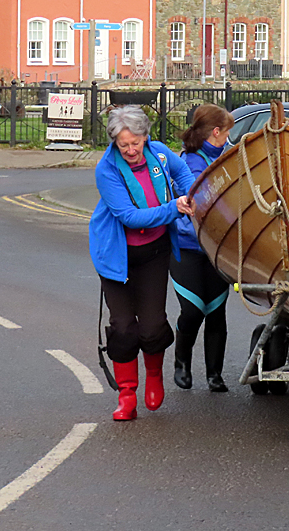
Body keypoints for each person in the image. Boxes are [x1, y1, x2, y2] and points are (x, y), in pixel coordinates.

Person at [89, 106, 196, 421]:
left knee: (151, 327)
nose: (131, 150)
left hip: (154, 253)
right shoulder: (106, 169)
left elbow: (184, 173)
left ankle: (154, 377)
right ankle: (126, 395)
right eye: (124, 145)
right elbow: (129, 217)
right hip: (115, 257)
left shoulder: (159, 155)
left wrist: (190, 194)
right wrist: (174, 208)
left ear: (146, 137)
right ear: (114, 144)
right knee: (122, 328)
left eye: (135, 142)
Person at [171, 104, 236, 392]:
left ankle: (214, 374)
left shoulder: (228, 158)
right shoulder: (188, 162)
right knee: (193, 311)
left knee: (216, 312)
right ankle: (181, 363)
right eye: (227, 133)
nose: (229, 139)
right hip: (186, 245)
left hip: (217, 248)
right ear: (215, 132)